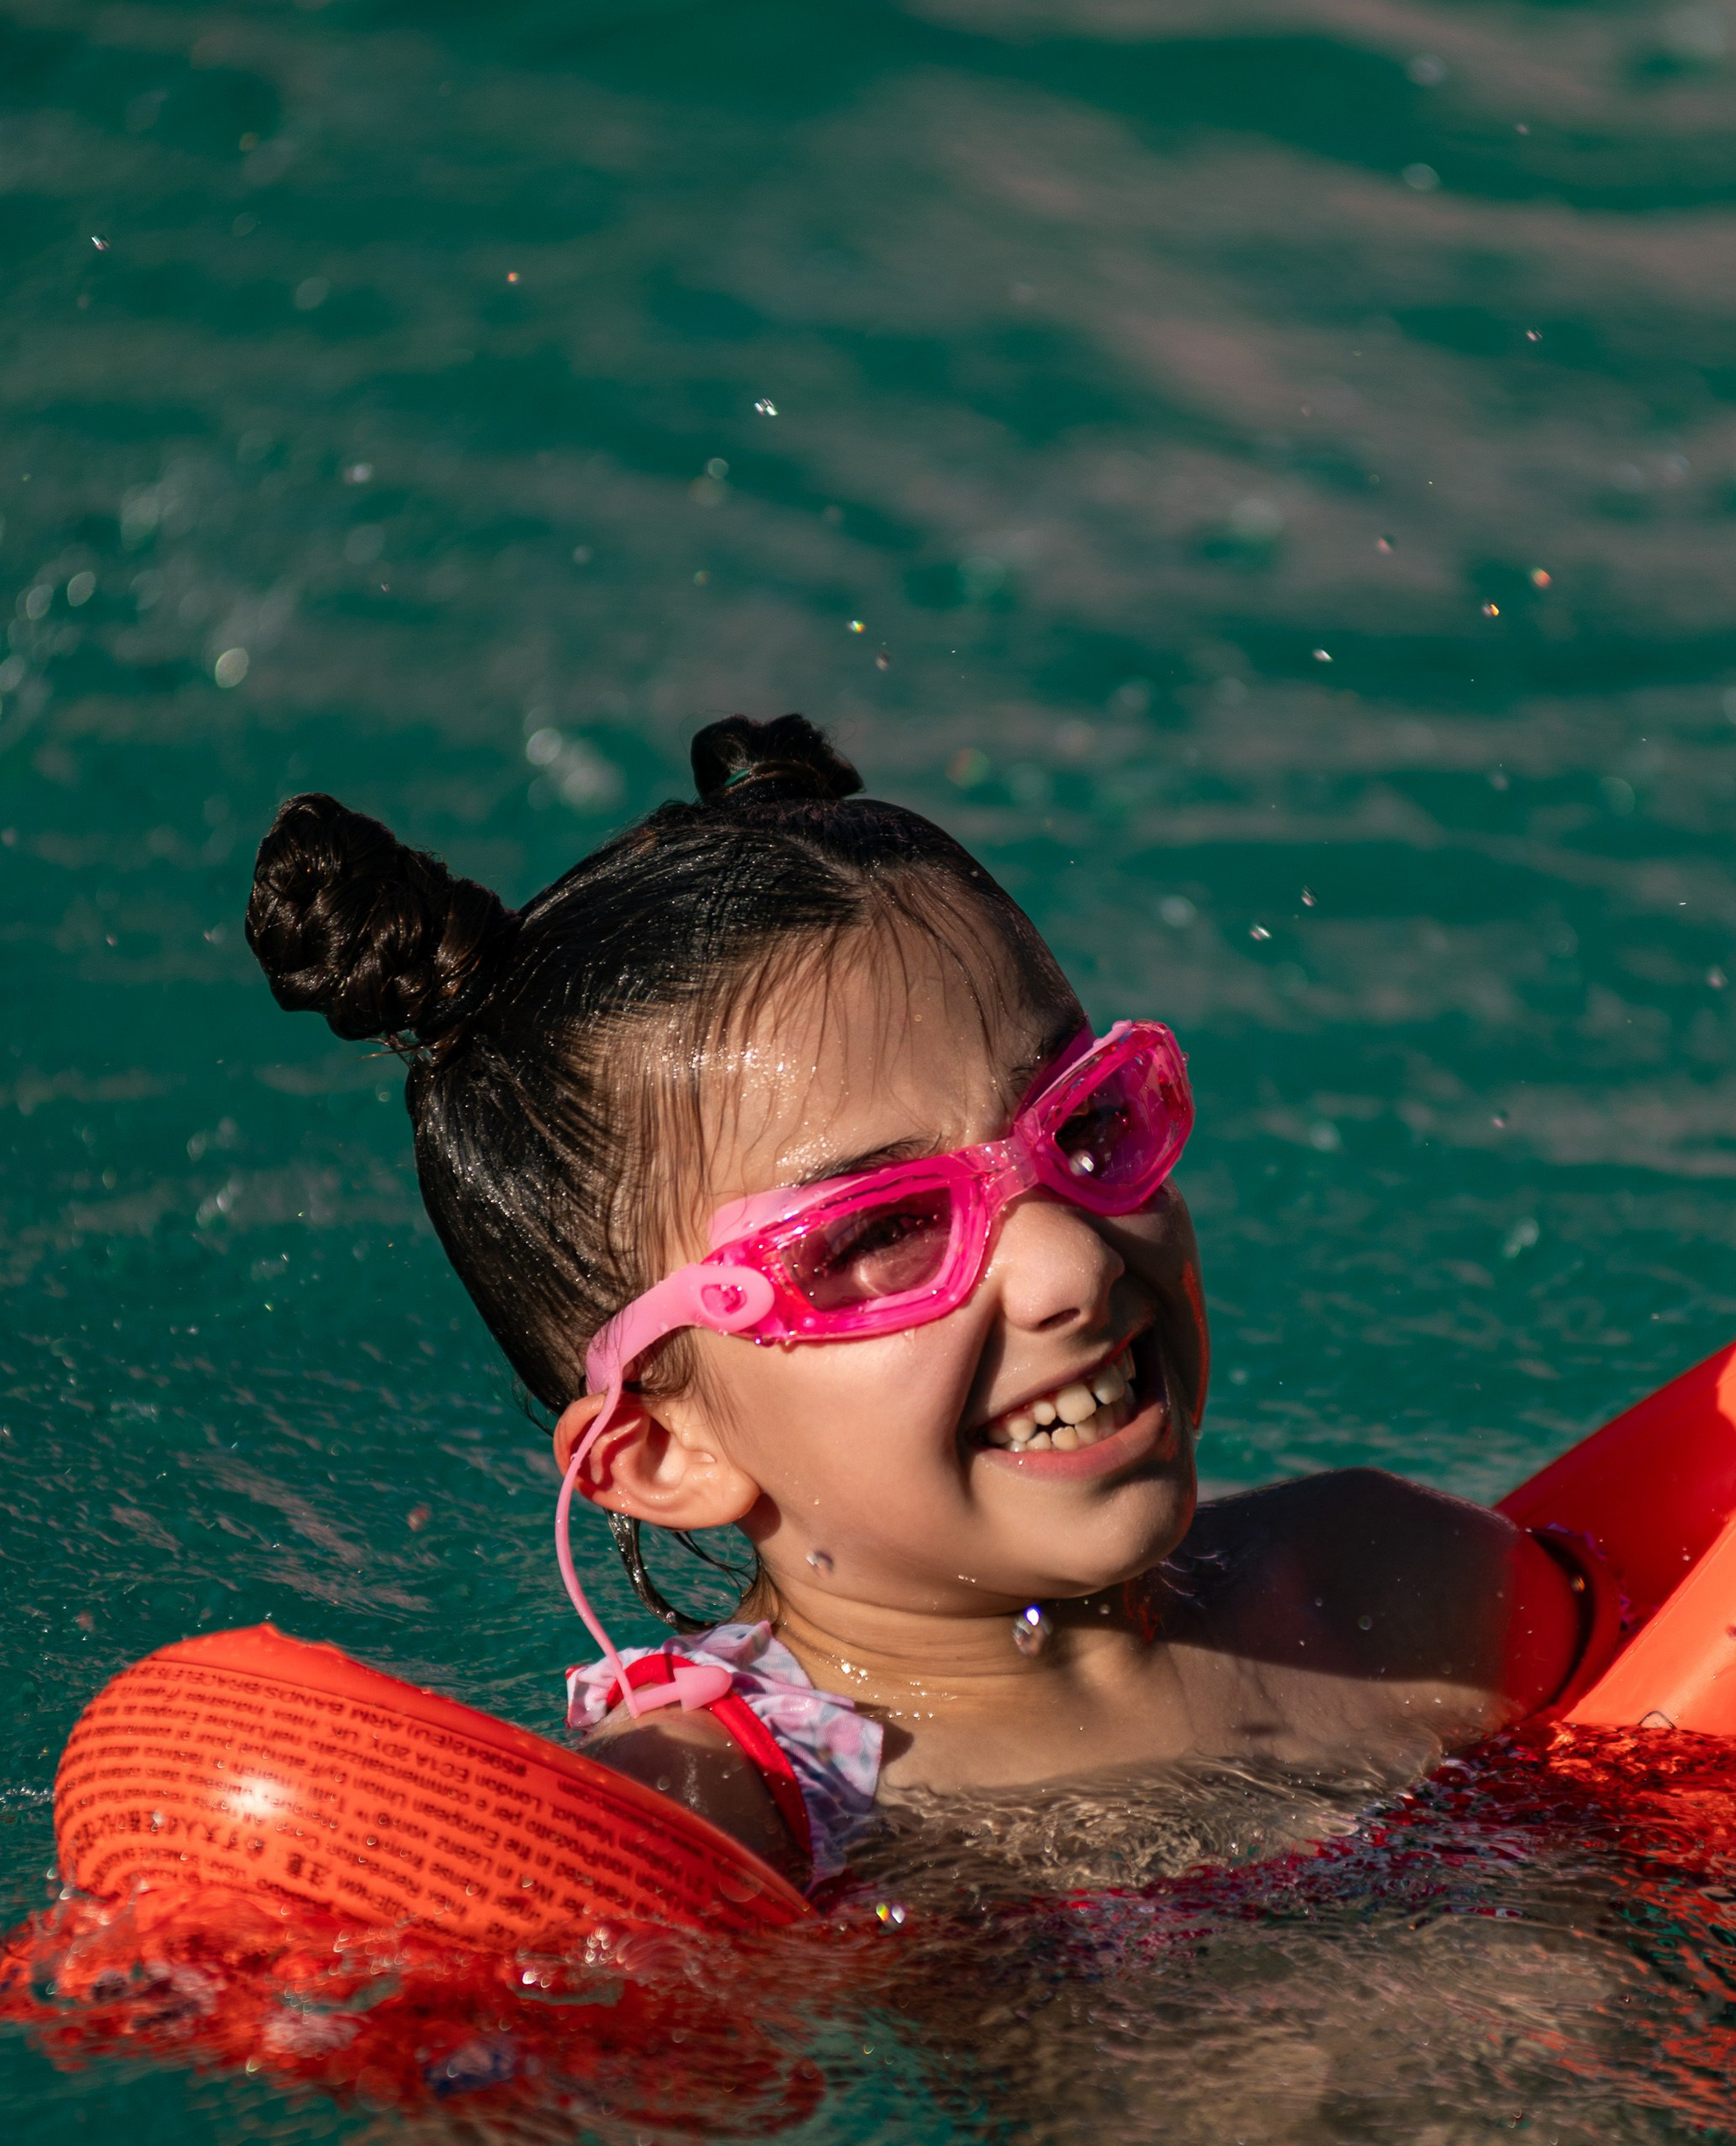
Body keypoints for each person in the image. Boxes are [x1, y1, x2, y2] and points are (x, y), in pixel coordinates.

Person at [244, 713, 1588, 1887]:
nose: (1071, 1261)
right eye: (882, 1231)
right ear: (662, 1450)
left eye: (1083, 1121)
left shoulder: (1401, 1583)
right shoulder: (735, 1812)